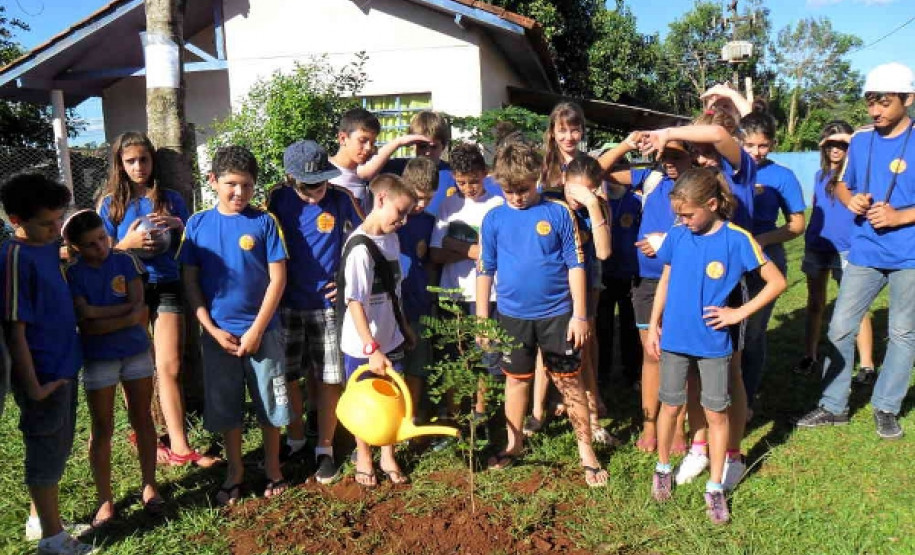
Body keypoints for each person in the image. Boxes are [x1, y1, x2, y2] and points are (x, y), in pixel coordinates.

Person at [646, 167, 785, 524]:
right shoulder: (678, 235)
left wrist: (738, 313)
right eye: (679, 213)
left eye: (688, 213)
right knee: (671, 406)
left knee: (716, 414)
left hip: (713, 344)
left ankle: (715, 488)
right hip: (675, 339)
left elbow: (776, 282)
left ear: (711, 204)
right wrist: (654, 324)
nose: (683, 220)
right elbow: (666, 279)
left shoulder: (737, 239)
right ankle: (662, 469)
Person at [476, 141, 608, 487]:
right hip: (512, 316)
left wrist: (580, 315)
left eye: (523, 188)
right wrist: (480, 318)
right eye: (509, 190)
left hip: (557, 315)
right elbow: (485, 270)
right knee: (516, 381)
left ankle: (586, 452)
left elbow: (576, 265)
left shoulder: (558, 212)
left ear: (536, 178)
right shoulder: (493, 218)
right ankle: (513, 443)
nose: (516, 196)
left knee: (569, 381)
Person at [642, 108, 759, 490]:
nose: (704, 157)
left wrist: (665, 131)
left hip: (728, 285)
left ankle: (733, 455)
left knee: (729, 376)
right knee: (690, 378)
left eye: (708, 150)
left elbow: (718, 135)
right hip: (688, 296)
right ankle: (699, 445)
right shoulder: (693, 194)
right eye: (697, 151)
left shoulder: (738, 170)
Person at [797, 62, 915, 440]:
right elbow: (843, 185)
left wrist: (899, 217)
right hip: (864, 251)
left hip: (908, 256)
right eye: (870, 102)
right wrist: (852, 200)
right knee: (840, 328)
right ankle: (834, 406)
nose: (875, 110)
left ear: (907, 99)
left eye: (883, 102)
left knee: (901, 333)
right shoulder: (861, 140)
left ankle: (886, 406)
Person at [179, 146, 291, 505]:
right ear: (213, 181)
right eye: (231, 184)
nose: (239, 193)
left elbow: (278, 280)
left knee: (270, 403)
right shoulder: (197, 225)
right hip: (218, 336)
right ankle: (235, 471)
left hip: (264, 333)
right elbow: (191, 283)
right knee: (226, 406)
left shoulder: (265, 222)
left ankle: (273, 468)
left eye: (246, 185)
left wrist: (258, 328)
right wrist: (211, 329)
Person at [97, 132, 216, 468]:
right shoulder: (110, 204)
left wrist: (180, 225)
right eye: (130, 161)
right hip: (129, 289)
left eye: (144, 160)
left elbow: (192, 241)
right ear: (120, 164)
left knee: (170, 366)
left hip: (166, 285)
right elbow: (100, 253)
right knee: (136, 368)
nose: (138, 167)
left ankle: (180, 446)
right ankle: (144, 437)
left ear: (153, 160)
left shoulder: (171, 198)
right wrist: (129, 242)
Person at [0, 173, 95, 554]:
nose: (57, 229)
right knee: (46, 450)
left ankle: (42, 519)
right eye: (47, 223)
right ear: (15, 221)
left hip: (63, 365)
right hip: (42, 372)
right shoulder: (14, 257)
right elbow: (14, 329)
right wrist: (35, 386)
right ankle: (53, 540)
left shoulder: (46, 248)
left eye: (59, 220)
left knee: (59, 445)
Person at [267, 140, 363, 485]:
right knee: (289, 374)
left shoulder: (340, 199)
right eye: (307, 187)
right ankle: (295, 440)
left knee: (327, 378)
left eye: (320, 184)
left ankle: (325, 447)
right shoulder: (276, 200)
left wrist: (346, 278)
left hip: (326, 306)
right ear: (291, 179)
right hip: (287, 303)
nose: (314, 193)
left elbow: (364, 238)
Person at [62, 210, 163, 529]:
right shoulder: (73, 273)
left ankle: (150, 485)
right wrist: (122, 317)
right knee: (102, 427)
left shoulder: (126, 261)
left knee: (142, 417)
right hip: (98, 358)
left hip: (134, 353)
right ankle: (105, 499)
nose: (101, 248)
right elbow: (86, 326)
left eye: (103, 239)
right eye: (90, 245)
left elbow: (140, 310)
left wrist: (98, 313)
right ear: (76, 248)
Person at [598, 132, 693, 454]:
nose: (669, 162)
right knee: (652, 355)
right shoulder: (649, 179)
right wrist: (625, 145)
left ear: (692, 156)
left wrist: (665, 243)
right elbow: (597, 170)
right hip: (647, 282)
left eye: (677, 155)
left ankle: (678, 425)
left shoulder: (701, 185)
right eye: (664, 155)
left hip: (686, 282)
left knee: (680, 356)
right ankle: (650, 423)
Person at [338, 173, 417, 487]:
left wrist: (404, 328)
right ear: (381, 199)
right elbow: (355, 302)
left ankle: (388, 454)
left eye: (408, 214)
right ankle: (364, 456)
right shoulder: (359, 248)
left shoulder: (392, 238)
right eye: (400, 212)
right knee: (365, 404)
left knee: (392, 400)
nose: (404, 221)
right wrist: (372, 348)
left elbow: (394, 292)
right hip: (364, 347)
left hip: (392, 335)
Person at [794, 121, 877, 383]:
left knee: (857, 307)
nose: (835, 148)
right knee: (815, 304)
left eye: (842, 143)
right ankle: (810, 355)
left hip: (848, 249)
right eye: (830, 143)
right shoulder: (819, 176)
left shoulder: (857, 177)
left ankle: (866, 364)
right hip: (817, 248)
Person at [430, 142, 504, 425]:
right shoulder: (448, 205)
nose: (468, 188)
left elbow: (494, 255)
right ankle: (453, 411)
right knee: (454, 353)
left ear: (485, 174)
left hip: (489, 295)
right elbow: (436, 253)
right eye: (461, 182)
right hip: (453, 292)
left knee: (486, 353)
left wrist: (454, 243)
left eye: (473, 181)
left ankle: (481, 411)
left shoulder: (496, 206)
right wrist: (469, 250)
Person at [740, 104, 807, 408]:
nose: (756, 151)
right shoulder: (729, 170)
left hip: (767, 261)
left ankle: (747, 398)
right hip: (728, 260)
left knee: (753, 332)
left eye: (763, 145)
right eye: (749, 144)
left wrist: (763, 239)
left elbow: (797, 226)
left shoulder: (783, 176)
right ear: (738, 141)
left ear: (773, 143)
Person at [559, 155, 613, 444]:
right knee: (554, 350)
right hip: (556, 286)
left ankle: (592, 415)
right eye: (574, 191)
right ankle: (549, 407)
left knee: (586, 347)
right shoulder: (553, 204)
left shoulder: (598, 207)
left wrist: (593, 205)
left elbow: (604, 252)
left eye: (588, 191)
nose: (579, 197)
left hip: (587, 284)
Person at [396, 157, 440, 415]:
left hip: (419, 306)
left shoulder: (429, 221)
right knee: (393, 367)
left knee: (417, 366)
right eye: (417, 196)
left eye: (429, 198)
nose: (421, 204)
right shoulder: (391, 218)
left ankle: (411, 417)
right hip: (392, 307)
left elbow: (431, 264)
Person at [329, 108, 431, 214]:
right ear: (342, 139)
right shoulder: (326, 176)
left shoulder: (373, 172)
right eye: (362, 141)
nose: (368, 148)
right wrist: (398, 142)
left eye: (372, 143)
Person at [597, 178, 642, 389]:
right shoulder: (597, 200)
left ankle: (632, 373)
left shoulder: (636, 200)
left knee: (630, 325)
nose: (613, 174)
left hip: (629, 271)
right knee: (602, 325)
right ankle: (601, 372)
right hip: (603, 272)